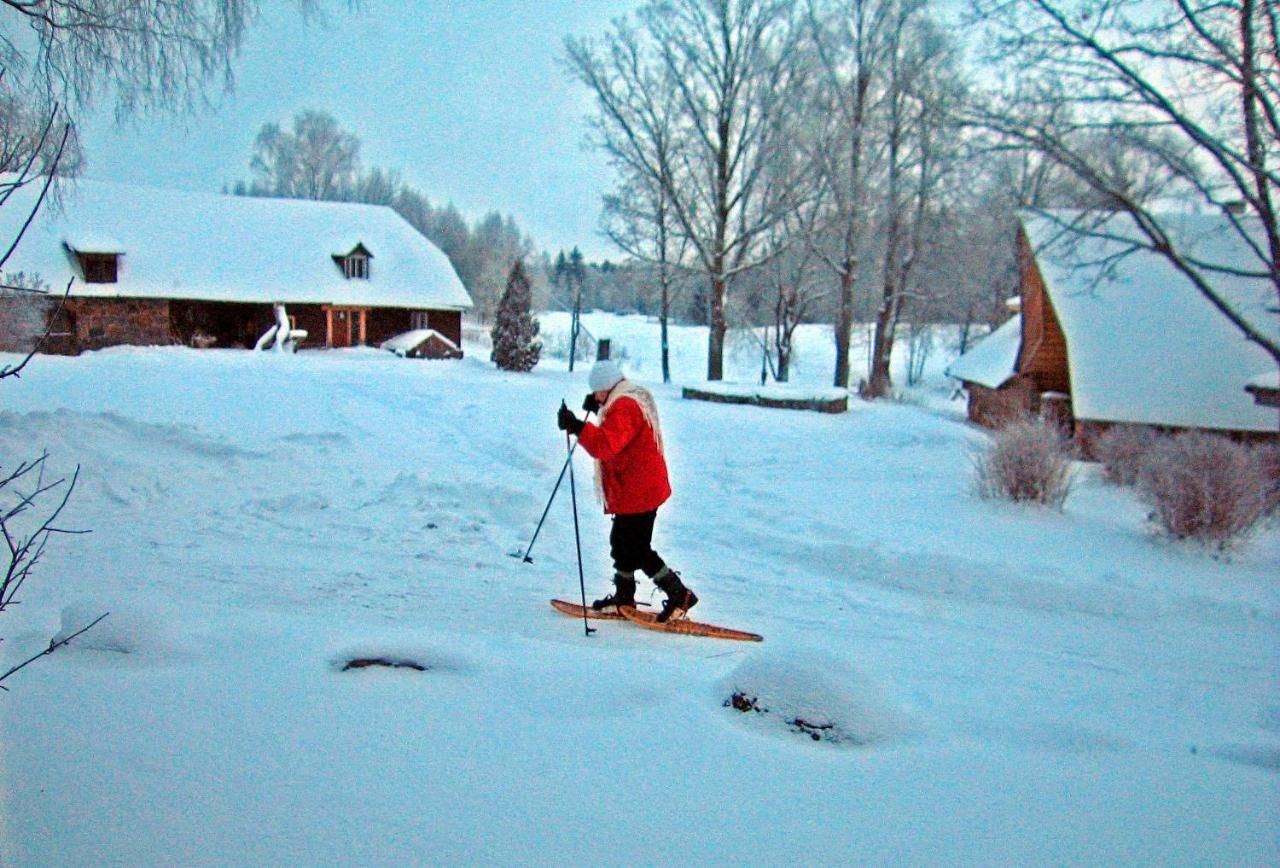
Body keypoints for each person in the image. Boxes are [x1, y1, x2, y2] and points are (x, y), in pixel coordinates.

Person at [556, 359, 697, 622]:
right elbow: (616, 435)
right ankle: (624, 597)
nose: (596, 396)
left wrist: (577, 427)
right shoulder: (626, 396)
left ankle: (680, 595)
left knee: (636, 549)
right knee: (621, 544)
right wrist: (599, 407)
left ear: (608, 387)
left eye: (598, 392)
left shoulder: (624, 407)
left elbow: (606, 445)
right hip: (637, 485)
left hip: (640, 489)